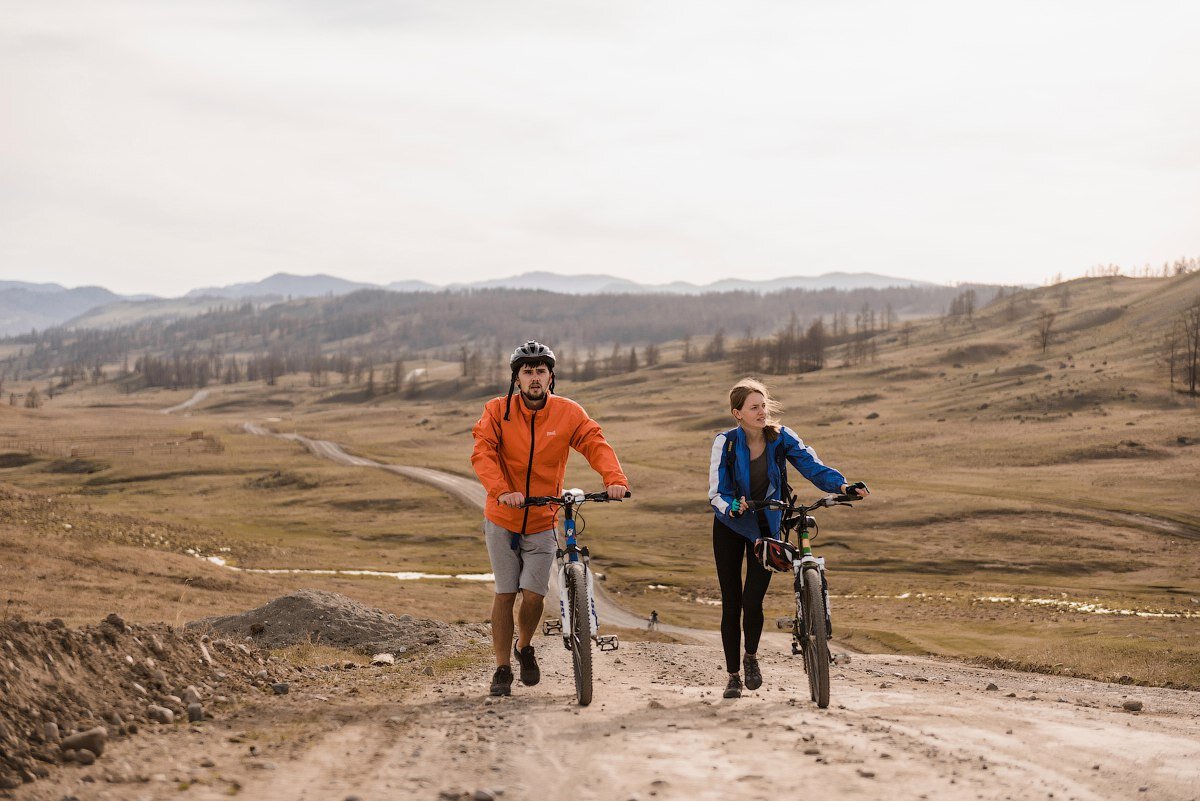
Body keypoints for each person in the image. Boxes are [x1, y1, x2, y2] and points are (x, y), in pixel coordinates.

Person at [471, 340, 630, 697]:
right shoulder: (497, 411)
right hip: (503, 516)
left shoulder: (567, 412)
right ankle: (501, 668)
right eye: (527, 371)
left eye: (540, 371)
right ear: (516, 378)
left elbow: (594, 441)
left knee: (533, 595)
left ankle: (524, 646)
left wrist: (614, 480)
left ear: (551, 377)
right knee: (505, 593)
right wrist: (502, 491)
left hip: (543, 518)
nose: (534, 378)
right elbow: (483, 453)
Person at [708, 378, 868, 699]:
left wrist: (842, 486)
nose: (761, 411)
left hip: (767, 524)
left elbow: (812, 466)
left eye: (764, 405)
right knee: (732, 602)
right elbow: (717, 492)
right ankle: (733, 676)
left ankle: (750, 658)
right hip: (731, 523)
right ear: (737, 413)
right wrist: (733, 506)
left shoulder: (781, 438)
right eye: (754, 407)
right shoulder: (724, 443)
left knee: (753, 601)